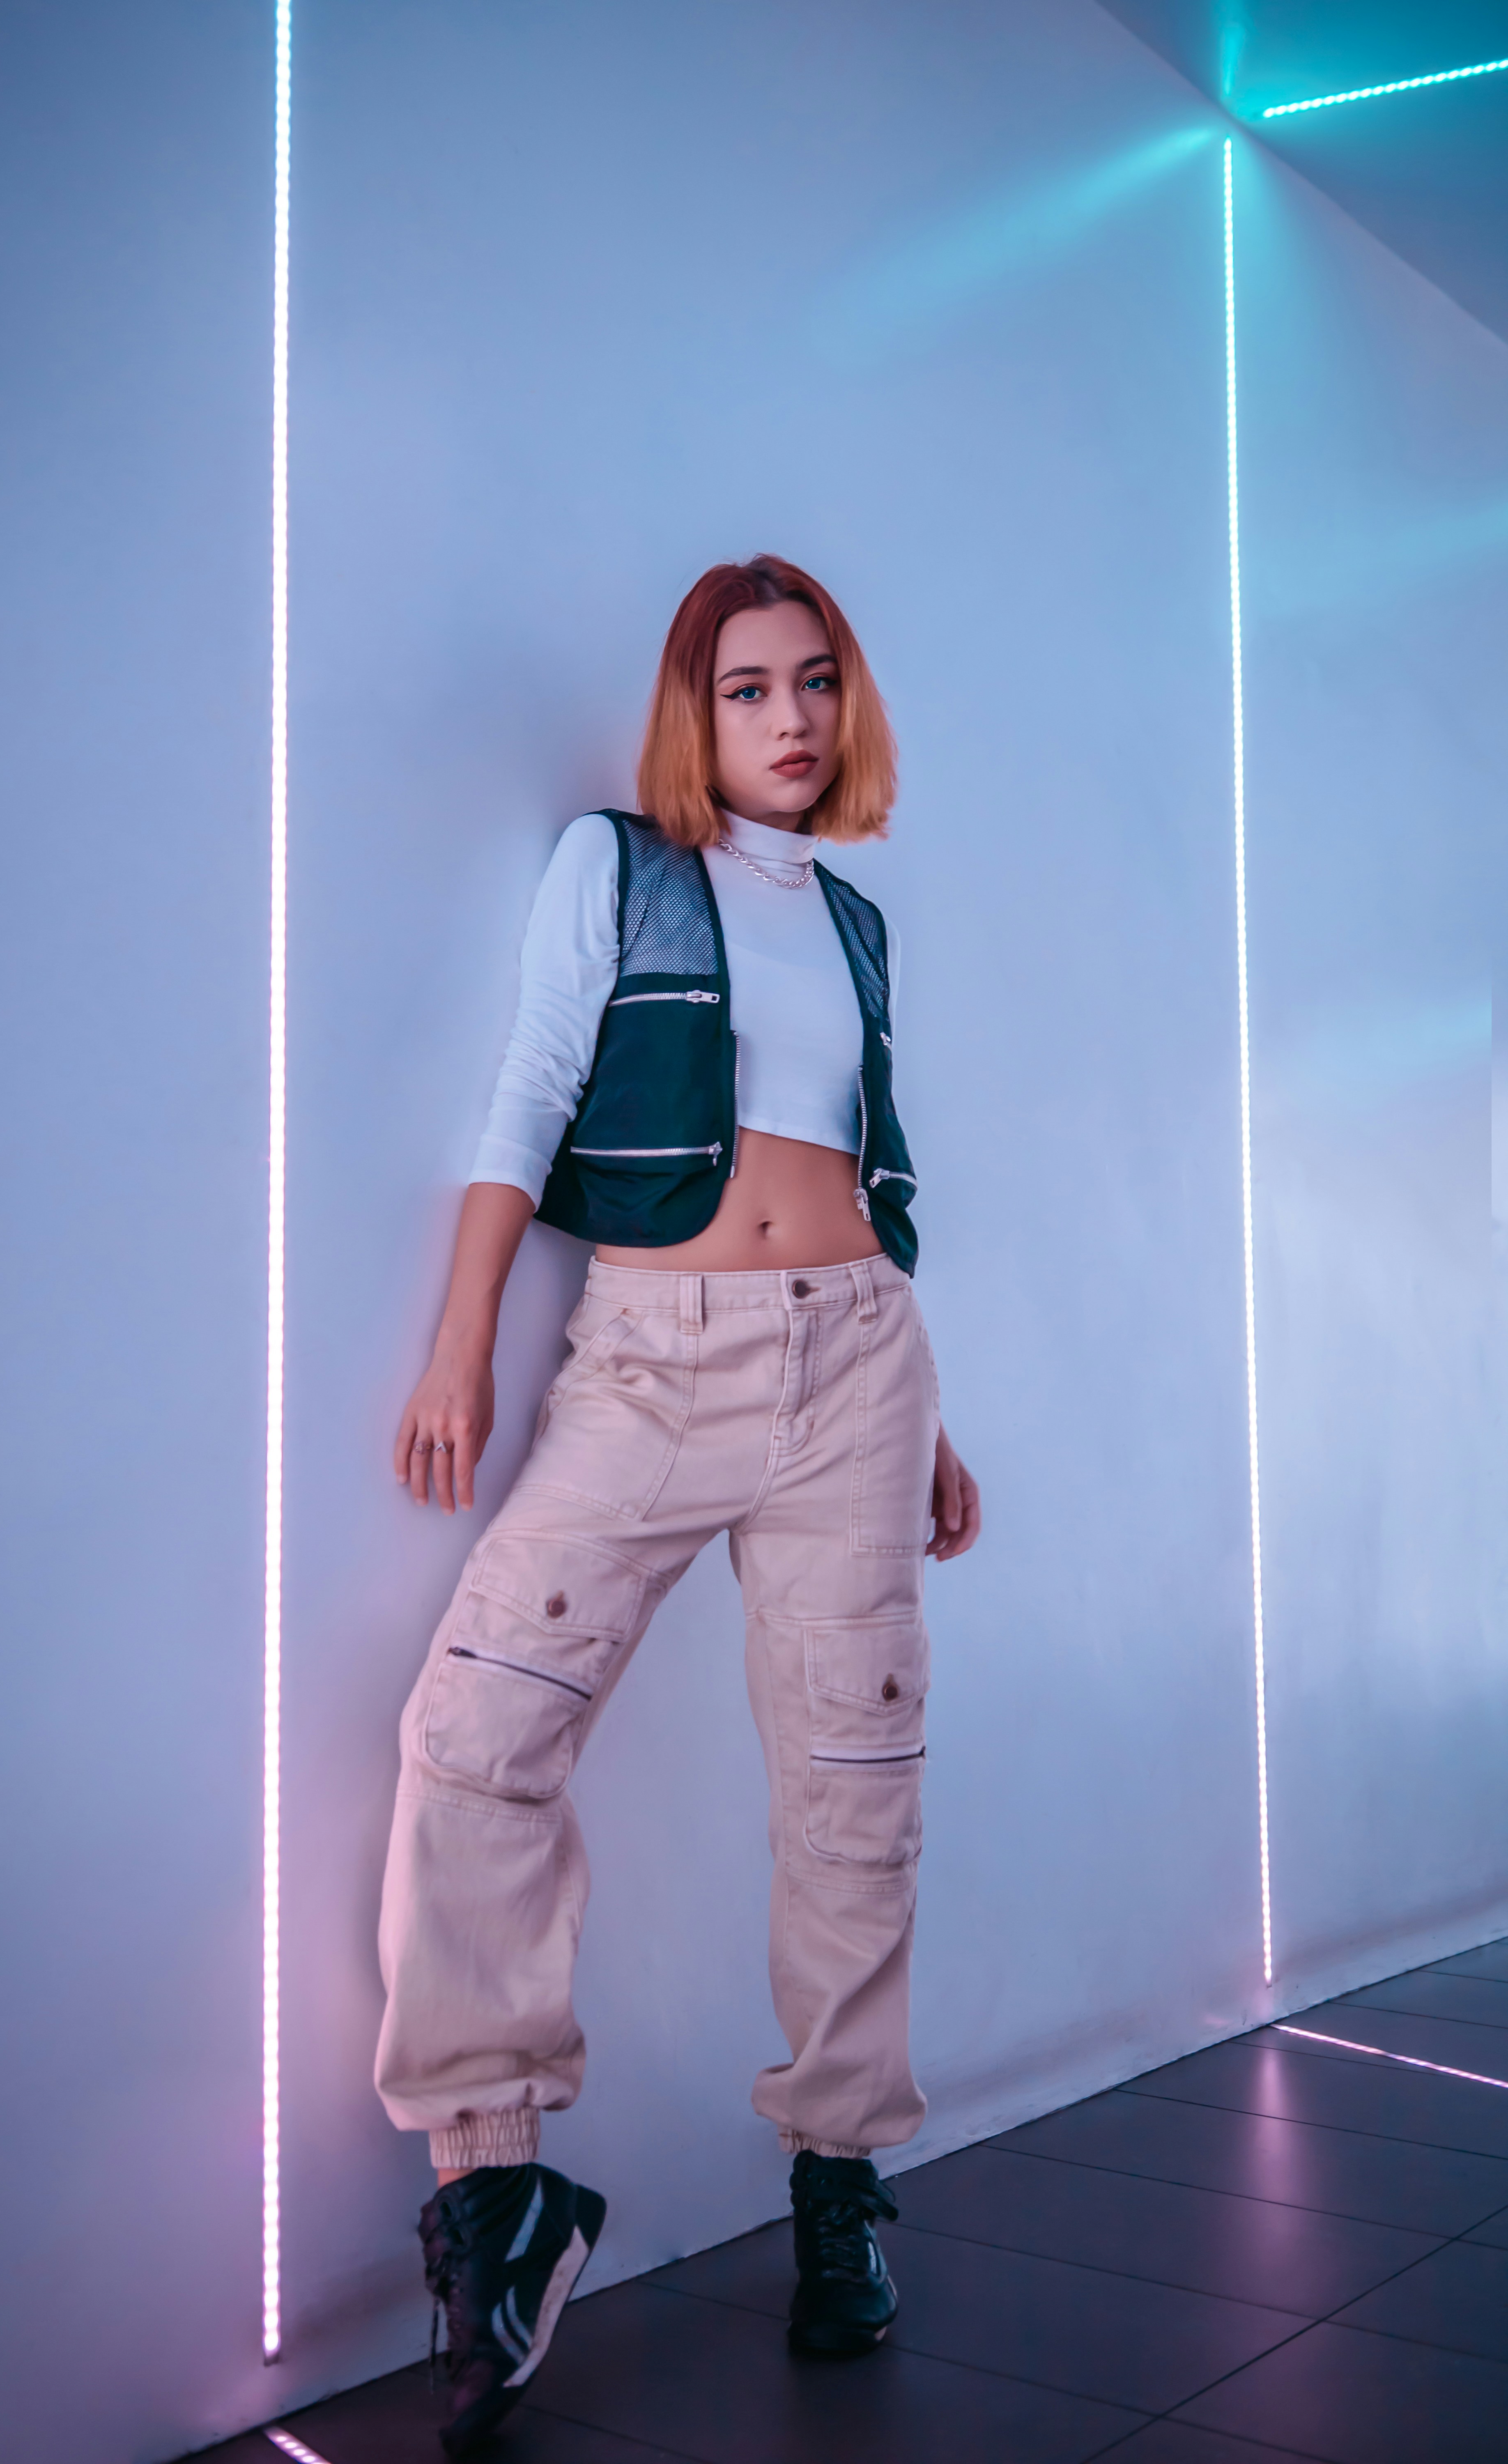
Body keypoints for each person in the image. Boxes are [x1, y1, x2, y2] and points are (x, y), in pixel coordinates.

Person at [375, 554, 980, 2457]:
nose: (788, 719)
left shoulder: (861, 923)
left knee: (850, 1785)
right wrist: (463, 1343)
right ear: (691, 712)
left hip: (862, 1370)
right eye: (745, 690)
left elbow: (870, 1186)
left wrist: (931, 1420)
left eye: (815, 683)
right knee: (476, 1733)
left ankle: (835, 2188)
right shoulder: (619, 867)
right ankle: (494, 2190)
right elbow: (528, 1090)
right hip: (651, 1359)